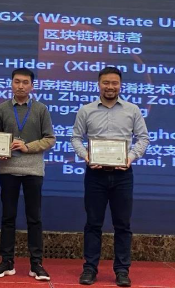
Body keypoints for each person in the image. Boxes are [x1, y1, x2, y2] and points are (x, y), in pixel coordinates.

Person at [71, 67, 149, 287]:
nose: (110, 87)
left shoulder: (132, 110)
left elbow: (143, 138)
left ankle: (122, 270)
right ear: (99, 84)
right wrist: (86, 156)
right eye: (106, 82)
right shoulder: (86, 110)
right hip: (95, 175)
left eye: (114, 83)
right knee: (93, 224)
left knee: (122, 225)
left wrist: (130, 157)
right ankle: (90, 268)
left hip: (123, 175)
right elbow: (76, 138)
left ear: (120, 85)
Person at [0, 68, 56, 281]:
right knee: (8, 217)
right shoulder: (1, 109)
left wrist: (28, 147)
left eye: (25, 82)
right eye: (17, 82)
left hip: (33, 170)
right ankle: (6, 262)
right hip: (8, 169)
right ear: (11, 84)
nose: (20, 86)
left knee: (34, 218)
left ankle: (36, 264)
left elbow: (50, 138)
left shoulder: (41, 109)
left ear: (32, 86)